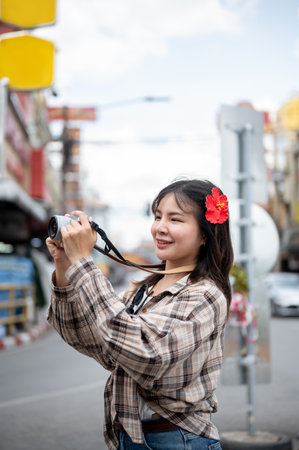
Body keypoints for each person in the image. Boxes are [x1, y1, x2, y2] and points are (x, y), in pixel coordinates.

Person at [46, 179, 234, 450]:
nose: (160, 227)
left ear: (205, 234)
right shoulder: (145, 287)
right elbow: (98, 343)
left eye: (175, 219)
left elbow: (146, 354)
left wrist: (83, 263)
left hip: (178, 440)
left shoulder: (205, 295)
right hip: (129, 437)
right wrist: (65, 267)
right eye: (158, 216)